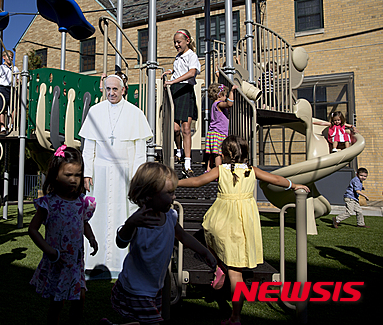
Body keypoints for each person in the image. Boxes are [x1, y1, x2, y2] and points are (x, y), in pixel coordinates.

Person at [178, 136, 310, 325]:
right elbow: (275, 178)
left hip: (222, 216)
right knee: (236, 273)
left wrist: (175, 183)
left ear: (223, 155)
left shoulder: (221, 170)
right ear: (245, 154)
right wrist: (294, 185)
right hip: (243, 222)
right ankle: (236, 316)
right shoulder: (251, 170)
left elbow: (197, 181)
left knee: (208, 230)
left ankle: (217, 266)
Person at [106, 162, 217, 325]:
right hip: (136, 287)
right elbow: (121, 243)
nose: (174, 197)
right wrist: (130, 224)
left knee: (145, 322)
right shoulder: (140, 220)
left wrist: (204, 252)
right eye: (169, 193)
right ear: (150, 194)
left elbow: (184, 236)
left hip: (154, 286)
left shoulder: (170, 216)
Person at [79, 74, 153, 278]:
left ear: (123, 90)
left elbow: (140, 150)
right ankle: (95, 260)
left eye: (115, 89)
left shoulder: (135, 113)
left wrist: (136, 176)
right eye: (108, 89)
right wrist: (86, 173)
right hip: (100, 173)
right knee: (97, 216)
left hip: (124, 173)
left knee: (124, 214)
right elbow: (89, 146)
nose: (111, 93)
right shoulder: (95, 111)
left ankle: (122, 263)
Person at [29, 145, 98, 324]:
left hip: (75, 263)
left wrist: (91, 238)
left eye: (77, 175)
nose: (74, 179)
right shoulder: (49, 203)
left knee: (80, 298)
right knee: (57, 303)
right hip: (57, 262)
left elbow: (83, 222)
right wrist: (48, 250)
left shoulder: (82, 203)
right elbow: (33, 230)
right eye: (68, 175)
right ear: (55, 175)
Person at [162, 29, 201, 178]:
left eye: (179, 42)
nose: (176, 45)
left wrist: (173, 81)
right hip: (176, 90)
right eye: (175, 42)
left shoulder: (192, 56)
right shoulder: (178, 57)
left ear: (187, 41)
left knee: (186, 128)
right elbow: (180, 71)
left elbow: (192, 72)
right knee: (175, 128)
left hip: (185, 90)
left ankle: (187, 163)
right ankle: (178, 150)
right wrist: (171, 72)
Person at [206, 83, 237, 172]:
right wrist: (232, 91)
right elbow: (229, 104)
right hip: (218, 132)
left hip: (215, 132)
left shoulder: (214, 104)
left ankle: (208, 169)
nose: (226, 97)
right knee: (218, 154)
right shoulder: (219, 104)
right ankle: (218, 171)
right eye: (225, 95)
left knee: (213, 153)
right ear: (220, 95)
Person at [0, 50, 19, 135]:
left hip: (12, 88)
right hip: (3, 88)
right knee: (2, 108)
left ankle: (11, 125)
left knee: (15, 107)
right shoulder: (1, 67)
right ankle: (2, 127)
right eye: (8, 56)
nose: (10, 58)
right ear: (4, 57)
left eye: (12, 56)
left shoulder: (15, 68)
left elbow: (17, 79)